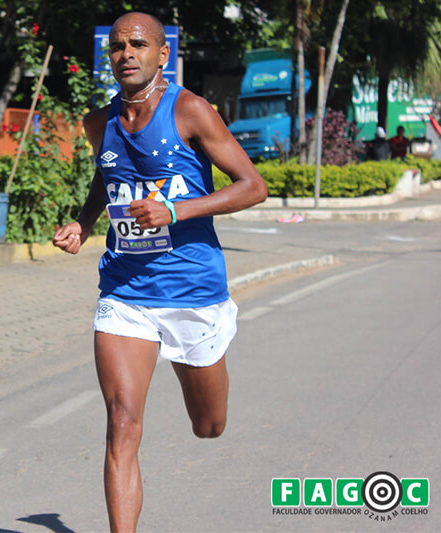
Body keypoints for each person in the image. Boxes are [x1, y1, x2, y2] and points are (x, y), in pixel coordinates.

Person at [52, 12, 267, 532]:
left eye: (139, 44)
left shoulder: (190, 110)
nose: (126, 54)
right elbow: (108, 176)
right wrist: (84, 222)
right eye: (118, 46)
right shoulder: (98, 123)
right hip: (124, 289)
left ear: (162, 54)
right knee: (121, 422)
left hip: (192, 289)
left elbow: (253, 186)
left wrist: (175, 210)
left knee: (208, 425)